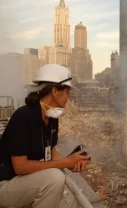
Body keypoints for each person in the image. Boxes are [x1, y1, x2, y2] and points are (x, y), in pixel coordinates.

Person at [0, 64, 91, 208]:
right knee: (55, 178)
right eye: (67, 92)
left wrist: (72, 163)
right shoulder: (23, 117)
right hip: (6, 184)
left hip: (25, 182)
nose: (69, 97)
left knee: (55, 175)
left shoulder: (52, 117)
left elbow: (52, 154)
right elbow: (20, 167)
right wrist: (64, 163)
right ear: (55, 91)